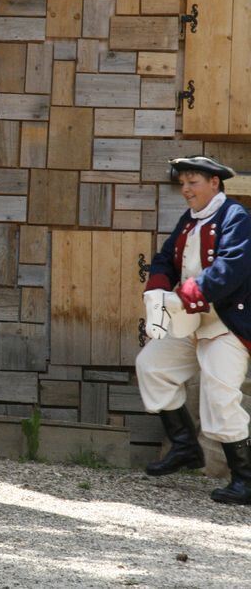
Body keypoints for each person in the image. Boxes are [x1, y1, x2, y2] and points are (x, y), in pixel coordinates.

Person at [138, 155, 251, 505]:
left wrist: (185, 295)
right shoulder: (189, 220)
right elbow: (165, 259)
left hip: (225, 323)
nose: (185, 190)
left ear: (214, 183)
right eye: (182, 183)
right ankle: (185, 446)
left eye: (192, 182)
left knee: (220, 396)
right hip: (189, 319)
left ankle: (245, 480)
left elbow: (231, 269)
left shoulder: (237, 217)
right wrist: (157, 288)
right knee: (152, 366)